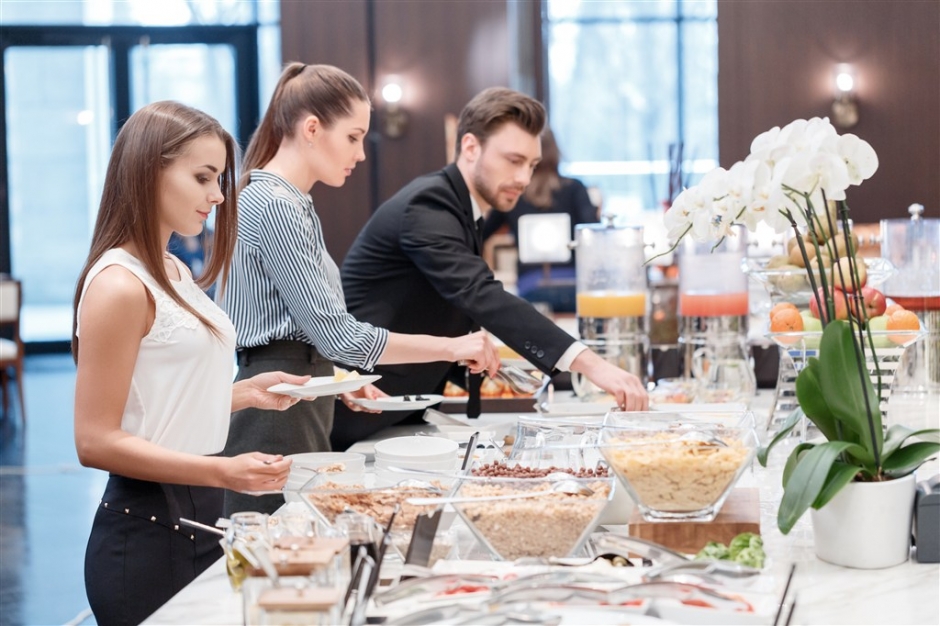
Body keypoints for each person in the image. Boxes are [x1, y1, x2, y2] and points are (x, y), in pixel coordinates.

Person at [219, 63, 499, 515]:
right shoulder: (274, 204)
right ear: (312, 128)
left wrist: (336, 380)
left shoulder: (289, 201)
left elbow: (310, 332)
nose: (362, 154)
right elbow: (339, 336)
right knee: (276, 554)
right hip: (273, 406)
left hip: (296, 394)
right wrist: (452, 346)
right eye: (353, 137)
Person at [72, 101, 312, 625]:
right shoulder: (118, 285)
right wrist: (222, 470)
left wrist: (246, 392)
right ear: (147, 170)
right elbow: (95, 440)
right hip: (145, 534)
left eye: (220, 178)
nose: (219, 195)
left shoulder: (174, 268)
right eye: (203, 177)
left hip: (201, 521)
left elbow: (158, 407)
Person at [333, 87, 649, 451]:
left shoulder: (461, 205)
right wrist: (596, 366)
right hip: (357, 410)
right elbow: (481, 294)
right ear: (470, 147)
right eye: (513, 160)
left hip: (398, 413)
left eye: (530, 165)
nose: (524, 178)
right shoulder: (428, 203)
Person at [482, 128, 598, 313]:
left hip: (531, 288)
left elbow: (479, 235)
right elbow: (593, 236)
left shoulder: (513, 194)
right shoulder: (575, 189)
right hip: (575, 286)